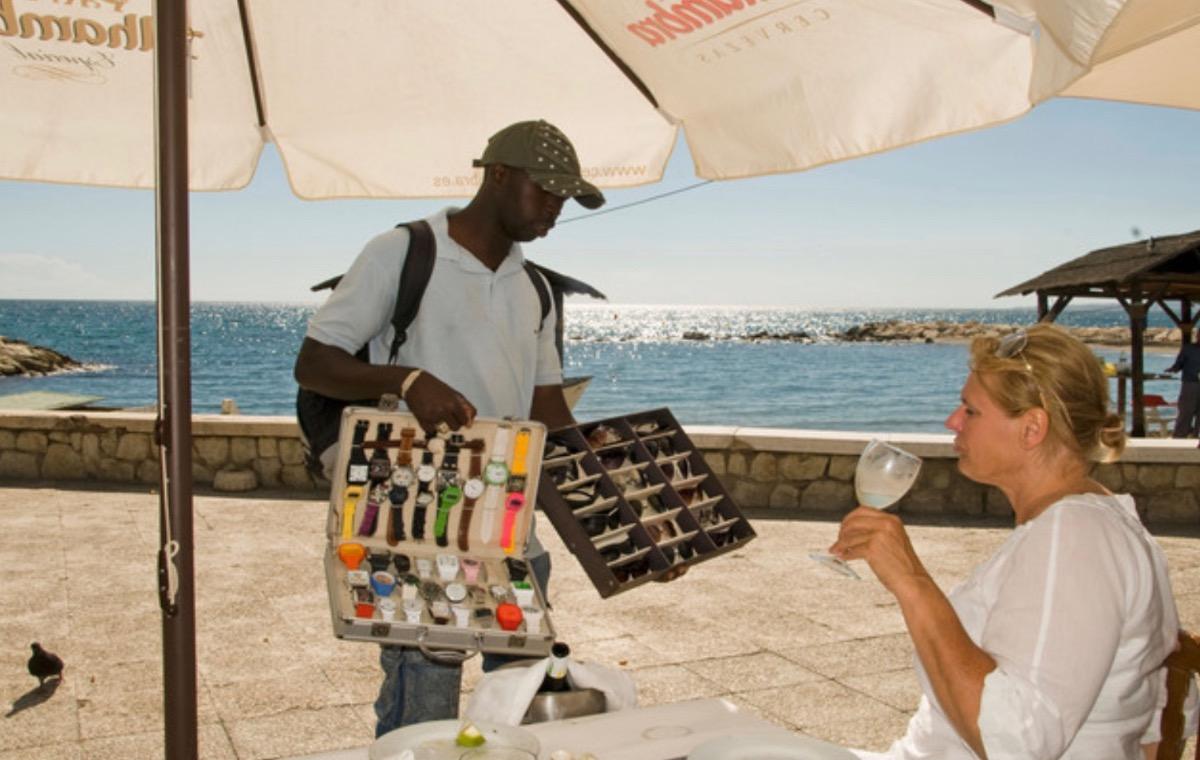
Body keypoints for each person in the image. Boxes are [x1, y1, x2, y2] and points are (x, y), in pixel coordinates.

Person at [294, 119, 603, 735]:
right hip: (418, 534)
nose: (555, 209)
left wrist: (616, 540)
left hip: (513, 536)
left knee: (522, 709)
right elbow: (315, 363)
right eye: (546, 190)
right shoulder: (403, 252)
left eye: (564, 198)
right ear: (498, 176)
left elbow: (549, 417)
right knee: (423, 713)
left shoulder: (536, 288)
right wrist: (407, 380)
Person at [831, 324, 1180, 759]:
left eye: (971, 411)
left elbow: (1014, 745)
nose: (952, 421)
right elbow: (1159, 715)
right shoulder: (1097, 523)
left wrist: (911, 581)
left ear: (1031, 429)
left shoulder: (1075, 537)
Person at [1165, 330, 1200, 438]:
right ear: (1197, 336)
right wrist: (1172, 369)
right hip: (1190, 384)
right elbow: (1179, 364)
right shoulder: (1188, 349)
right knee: (1186, 411)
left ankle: (1196, 436)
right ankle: (1180, 436)